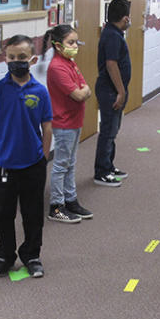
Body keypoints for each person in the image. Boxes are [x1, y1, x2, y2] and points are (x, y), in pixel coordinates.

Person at [0, 35, 53, 278]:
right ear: (5, 59)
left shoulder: (40, 92)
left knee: (33, 214)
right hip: (2, 165)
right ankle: (5, 255)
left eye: (22, 58)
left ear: (32, 60)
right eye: (11, 57)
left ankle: (32, 255)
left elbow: (47, 128)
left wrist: (43, 157)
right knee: (2, 214)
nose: (16, 62)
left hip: (33, 164)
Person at [44, 24, 93, 223]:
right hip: (63, 123)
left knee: (70, 163)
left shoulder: (70, 63)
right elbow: (80, 93)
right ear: (57, 45)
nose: (74, 46)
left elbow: (86, 88)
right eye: (70, 42)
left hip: (75, 120)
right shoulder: (57, 67)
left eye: (75, 42)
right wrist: (84, 91)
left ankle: (70, 199)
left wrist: (84, 91)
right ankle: (56, 206)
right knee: (61, 164)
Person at [93, 0, 132, 187]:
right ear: (124, 18)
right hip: (110, 91)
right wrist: (121, 91)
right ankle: (101, 171)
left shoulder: (114, 33)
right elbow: (111, 64)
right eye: (129, 17)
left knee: (113, 130)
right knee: (108, 131)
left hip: (114, 90)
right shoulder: (112, 36)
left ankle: (109, 165)